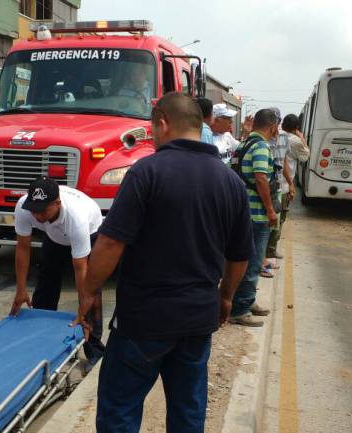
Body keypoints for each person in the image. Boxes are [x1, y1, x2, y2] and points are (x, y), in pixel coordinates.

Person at [74, 92, 252, 432]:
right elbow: (240, 255)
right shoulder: (230, 182)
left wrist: (89, 292)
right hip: (198, 319)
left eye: (153, 129)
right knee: (188, 411)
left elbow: (111, 242)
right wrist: (226, 296)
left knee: (120, 410)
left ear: (162, 124)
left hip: (143, 320)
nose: (152, 136)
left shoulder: (146, 171)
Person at [10, 176, 106, 366]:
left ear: (57, 203)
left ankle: (93, 346)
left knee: (91, 289)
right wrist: (20, 290)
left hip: (91, 231)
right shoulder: (24, 207)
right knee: (46, 277)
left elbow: (80, 268)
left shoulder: (76, 218)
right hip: (55, 235)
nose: (37, 216)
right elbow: (22, 248)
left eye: (42, 210)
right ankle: (41, 334)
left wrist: (82, 310)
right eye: (34, 210)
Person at [229, 109, 280, 326]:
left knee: (245, 261)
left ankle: (246, 301)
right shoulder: (260, 147)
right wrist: (270, 210)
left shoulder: (244, 144)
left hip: (243, 212)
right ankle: (240, 309)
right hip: (257, 215)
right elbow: (261, 179)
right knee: (253, 262)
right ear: (273, 127)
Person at [265, 113, 308, 264]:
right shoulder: (294, 140)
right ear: (296, 127)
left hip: (274, 184)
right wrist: (302, 138)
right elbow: (305, 156)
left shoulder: (276, 136)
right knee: (279, 218)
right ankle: (270, 250)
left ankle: (267, 250)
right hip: (282, 186)